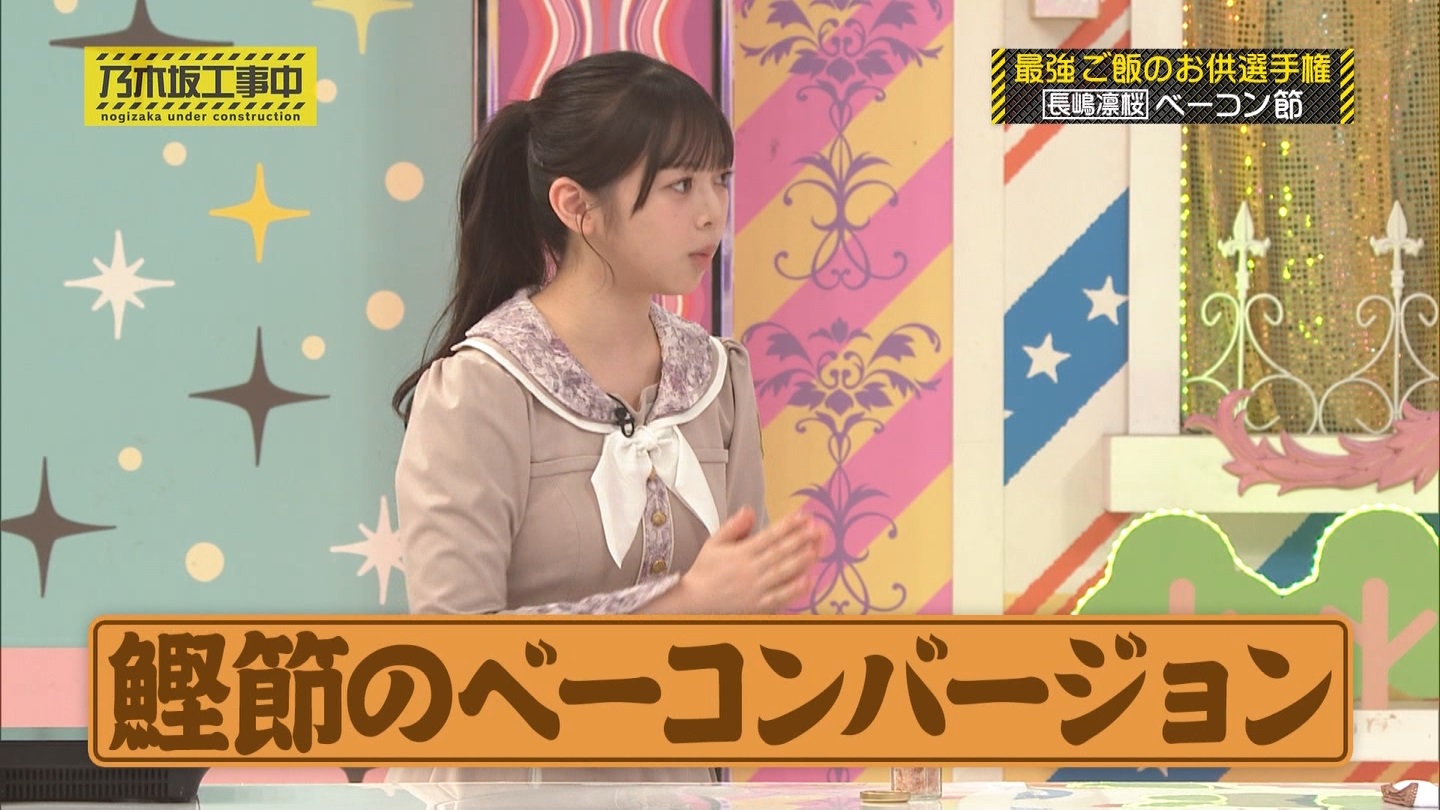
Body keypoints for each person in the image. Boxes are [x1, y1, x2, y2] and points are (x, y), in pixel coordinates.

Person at [386, 50, 825, 786]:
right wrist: (683, 604)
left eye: (719, 179)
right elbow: (453, 666)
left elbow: (743, 628)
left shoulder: (716, 379)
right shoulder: (481, 389)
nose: (712, 212)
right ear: (576, 206)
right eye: (680, 185)